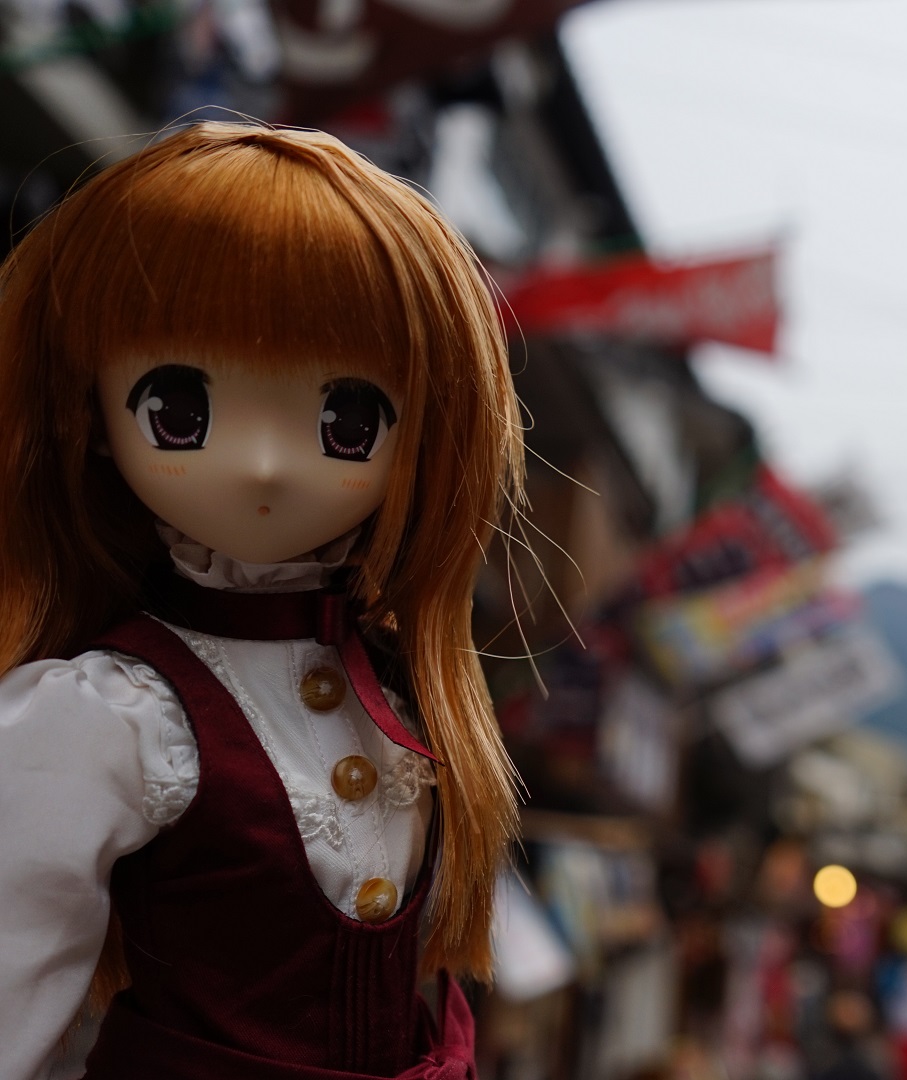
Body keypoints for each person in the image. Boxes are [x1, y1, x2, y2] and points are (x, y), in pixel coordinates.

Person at [0, 122, 524, 1077]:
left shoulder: (400, 683)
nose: (267, 464)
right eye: (180, 411)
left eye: (347, 420)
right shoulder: (106, 712)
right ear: (87, 409)